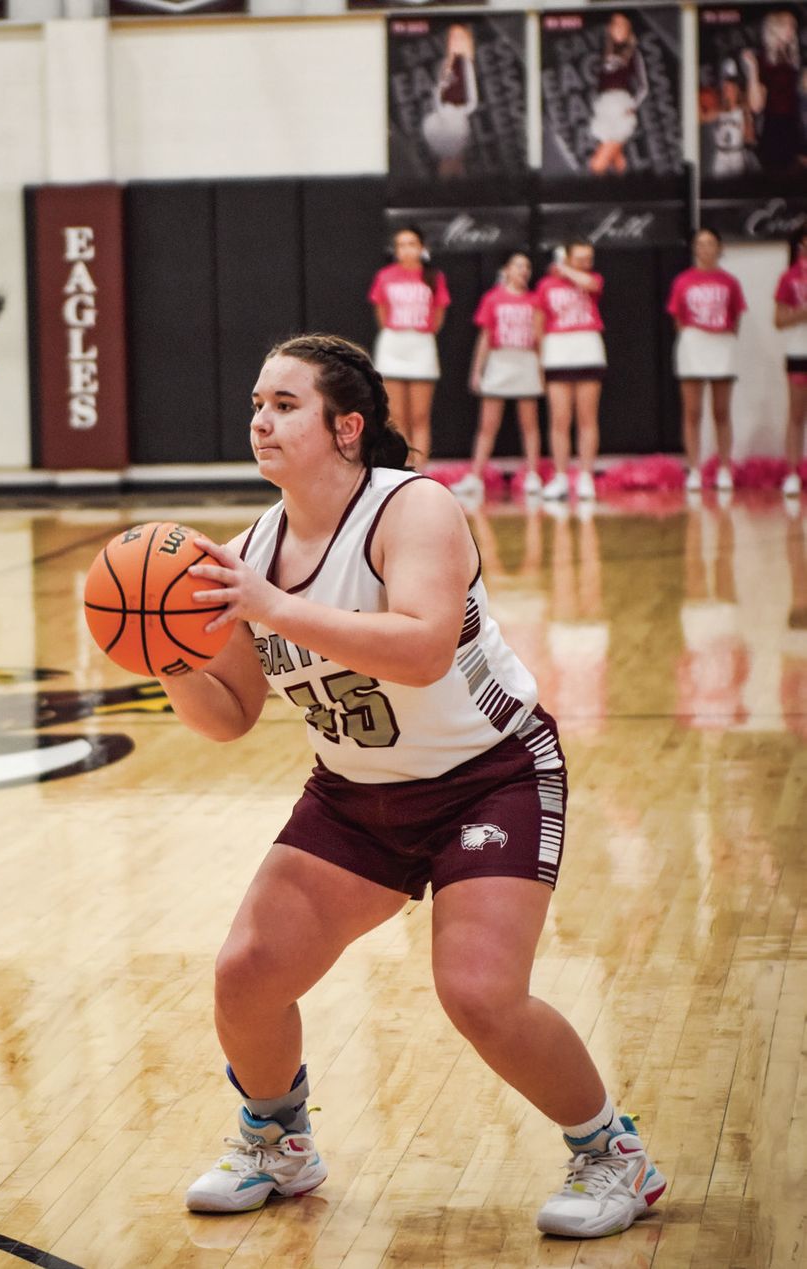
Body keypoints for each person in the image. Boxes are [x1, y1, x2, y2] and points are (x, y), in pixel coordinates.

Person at [162, 332, 666, 1238]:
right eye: (256, 404)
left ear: (346, 427)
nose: (260, 420)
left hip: (492, 777)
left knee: (479, 993)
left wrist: (272, 606)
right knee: (247, 973)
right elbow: (230, 713)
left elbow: (426, 649)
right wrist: (166, 659)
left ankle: (612, 1154)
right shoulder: (251, 550)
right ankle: (279, 1142)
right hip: (357, 794)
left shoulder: (414, 510)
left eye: (285, 404)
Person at [453, 252, 544, 500]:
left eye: (527, 266)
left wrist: (541, 368)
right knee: (487, 426)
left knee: (530, 425)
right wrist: (477, 371)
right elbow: (484, 338)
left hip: (525, 361)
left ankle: (533, 476)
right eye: (518, 266)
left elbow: (539, 338)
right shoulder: (492, 299)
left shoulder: (535, 300)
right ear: (506, 270)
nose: (523, 270)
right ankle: (475, 477)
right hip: (499, 362)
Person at [666, 228, 747, 494]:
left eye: (710, 243)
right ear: (694, 249)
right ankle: (694, 469)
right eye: (700, 244)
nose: (705, 248)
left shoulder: (730, 281)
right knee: (692, 411)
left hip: (721, 342)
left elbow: (736, 317)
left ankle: (724, 468)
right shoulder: (683, 280)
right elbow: (677, 317)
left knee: (721, 411)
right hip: (693, 343)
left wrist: (721, 334)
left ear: (719, 247)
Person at [368, 226, 451, 470]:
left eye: (411, 244)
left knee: (420, 417)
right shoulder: (385, 276)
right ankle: (402, 469)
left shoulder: (434, 277)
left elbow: (438, 316)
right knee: (396, 417)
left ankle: (421, 471)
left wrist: (420, 332)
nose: (406, 249)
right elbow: (381, 313)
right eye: (401, 245)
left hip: (421, 345)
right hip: (393, 344)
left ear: (422, 247)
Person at [535, 241, 606, 501]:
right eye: (580, 258)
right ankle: (561, 477)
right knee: (560, 419)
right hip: (557, 352)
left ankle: (586, 476)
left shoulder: (593, 278)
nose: (586, 263)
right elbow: (539, 325)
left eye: (589, 258)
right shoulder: (545, 286)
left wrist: (565, 270)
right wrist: (540, 361)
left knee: (587, 418)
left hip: (588, 349)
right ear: (567, 256)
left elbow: (591, 285)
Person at [742, 10, 805, 178]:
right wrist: (753, 70)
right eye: (787, 25)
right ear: (774, 28)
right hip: (773, 129)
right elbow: (756, 105)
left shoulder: (796, 59)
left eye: (794, 26)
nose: (792, 29)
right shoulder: (762, 60)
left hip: (796, 127)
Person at [589, 12, 648, 175]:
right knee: (618, 161)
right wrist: (596, 103)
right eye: (616, 24)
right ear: (610, 28)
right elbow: (598, 82)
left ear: (629, 30)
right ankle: (625, 192)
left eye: (623, 25)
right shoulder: (602, 52)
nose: (619, 29)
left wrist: (632, 106)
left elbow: (644, 86)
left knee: (597, 165)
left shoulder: (634, 53)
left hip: (621, 106)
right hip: (603, 108)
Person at [421, 24, 479, 180]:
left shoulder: (466, 65)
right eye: (453, 39)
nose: (456, 42)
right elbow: (440, 94)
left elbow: (469, 99)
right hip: (445, 122)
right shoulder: (448, 65)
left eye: (460, 38)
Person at [774, 226, 807, 498]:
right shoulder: (789, 278)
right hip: (798, 352)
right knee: (796, 416)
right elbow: (779, 320)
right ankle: (792, 473)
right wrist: (803, 312)